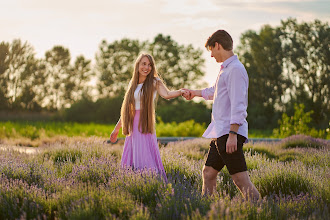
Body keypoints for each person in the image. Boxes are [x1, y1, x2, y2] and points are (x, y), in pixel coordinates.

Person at [182, 30, 260, 200]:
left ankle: (262, 210)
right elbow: (213, 92)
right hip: (220, 132)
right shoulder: (225, 69)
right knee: (208, 173)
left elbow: (239, 105)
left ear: (217, 45)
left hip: (229, 133)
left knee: (240, 179)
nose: (211, 55)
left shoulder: (236, 70)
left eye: (211, 50)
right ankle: (207, 210)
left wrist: (233, 134)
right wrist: (193, 93)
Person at [109, 53, 184, 181]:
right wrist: (116, 129)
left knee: (146, 157)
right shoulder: (132, 84)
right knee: (131, 159)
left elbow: (167, 94)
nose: (147, 67)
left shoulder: (155, 82)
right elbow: (127, 110)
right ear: (137, 65)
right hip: (132, 127)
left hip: (144, 124)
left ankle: (151, 185)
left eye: (150, 65)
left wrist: (181, 92)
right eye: (144, 64)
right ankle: (133, 187)